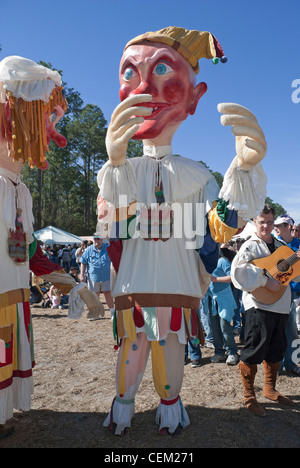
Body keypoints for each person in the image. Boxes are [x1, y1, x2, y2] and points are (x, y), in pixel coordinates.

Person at [97, 26, 267, 435]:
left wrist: (242, 170)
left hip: (174, 281)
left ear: (194, 96)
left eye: (161, 70)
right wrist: (117, 163)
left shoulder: (194, 175)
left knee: (170, 349)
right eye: (130, 74)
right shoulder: (119, 170)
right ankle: (124, 406)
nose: (144, 87)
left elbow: (214, 231)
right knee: (132, 347)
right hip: (133, 283)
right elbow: (112, 224)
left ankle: (168, 408)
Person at [0, 55, 103, 438]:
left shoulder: (18, 189)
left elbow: (26, 250)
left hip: (12, 297)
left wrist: (71, 284)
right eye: (50, 115)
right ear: (19, 113)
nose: (54, 127)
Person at [231, 205, 300, 417]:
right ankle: (249, 396)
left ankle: (270, 389)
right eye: (262, 221)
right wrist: (263, 280)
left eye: (270, 222)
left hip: (280, 305)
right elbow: (238, 273)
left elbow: (294, 276)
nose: (266, 226)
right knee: (254, 349)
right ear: (254, 221)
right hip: (258, 305)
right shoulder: (250, 246)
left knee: (276, 349)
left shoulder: (282, 246)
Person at [273, 215, 300, 376]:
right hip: (275, 293)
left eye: (279, 225)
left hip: (292, 292)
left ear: (289, 227)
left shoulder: (297, 245)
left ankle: (290, 363)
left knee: (291, 330)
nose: (275, 228)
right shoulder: (274, 244)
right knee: (277, 330)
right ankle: (277, 364)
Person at [208, 247, 239, 365]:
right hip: (212, 299)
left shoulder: (222, 261)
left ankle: (232, 352)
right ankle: (219, 352)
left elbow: (232, 277)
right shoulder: (206, 263)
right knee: (215, 328)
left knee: (225, 326)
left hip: (224, 299)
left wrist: (215, 279)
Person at [80, 234, 115, 318]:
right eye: (95, 239)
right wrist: (82, 275)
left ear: (102, 239)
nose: (97, 241)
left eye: (98, 239)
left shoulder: (108, 248)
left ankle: (112, 313)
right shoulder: (88, 250)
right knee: (95, 295)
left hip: (107, 276)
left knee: (108, 294)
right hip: (93, 277)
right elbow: (83, 262)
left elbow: (115, 260)